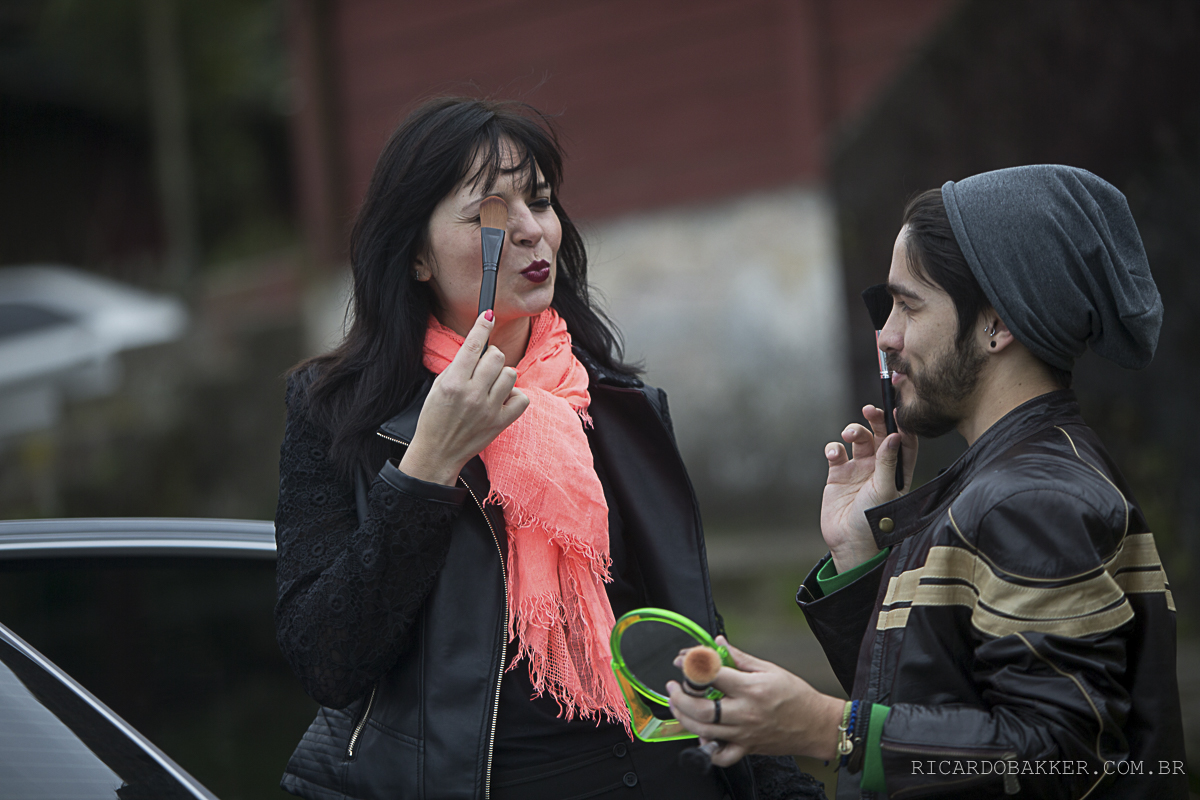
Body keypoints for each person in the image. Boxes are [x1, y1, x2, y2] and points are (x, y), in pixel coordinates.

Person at [272, 97, 821, 800]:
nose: (532, 232)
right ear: (413, 256)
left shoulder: (616, 405)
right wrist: (426, 468)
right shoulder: (336, 415)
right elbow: (327, 660)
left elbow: (692, 637)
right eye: (490, 215)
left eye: (541, 200)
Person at [666, 165, 1187, 798]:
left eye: (908, 304)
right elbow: (946, 696)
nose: (885, 335)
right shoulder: (1001, 480)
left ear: (999, 324)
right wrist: (862, 558)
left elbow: (1056, 756)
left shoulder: (1031, 500)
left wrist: (827, 729)